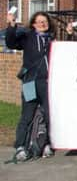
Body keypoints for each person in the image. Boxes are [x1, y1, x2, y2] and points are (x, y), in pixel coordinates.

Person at [6, 11, 55, 160]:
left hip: (48, 83)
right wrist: (12, 25)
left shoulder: (52, 40)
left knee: (48, 114)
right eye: (39, 21)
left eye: (44, 21)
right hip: (31, 82)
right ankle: (20, 146)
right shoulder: (27, 37)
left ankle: (45, 144)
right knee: (27, 113)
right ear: (33, 24)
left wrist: (71, 33)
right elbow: (11, 43)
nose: (42, 24)